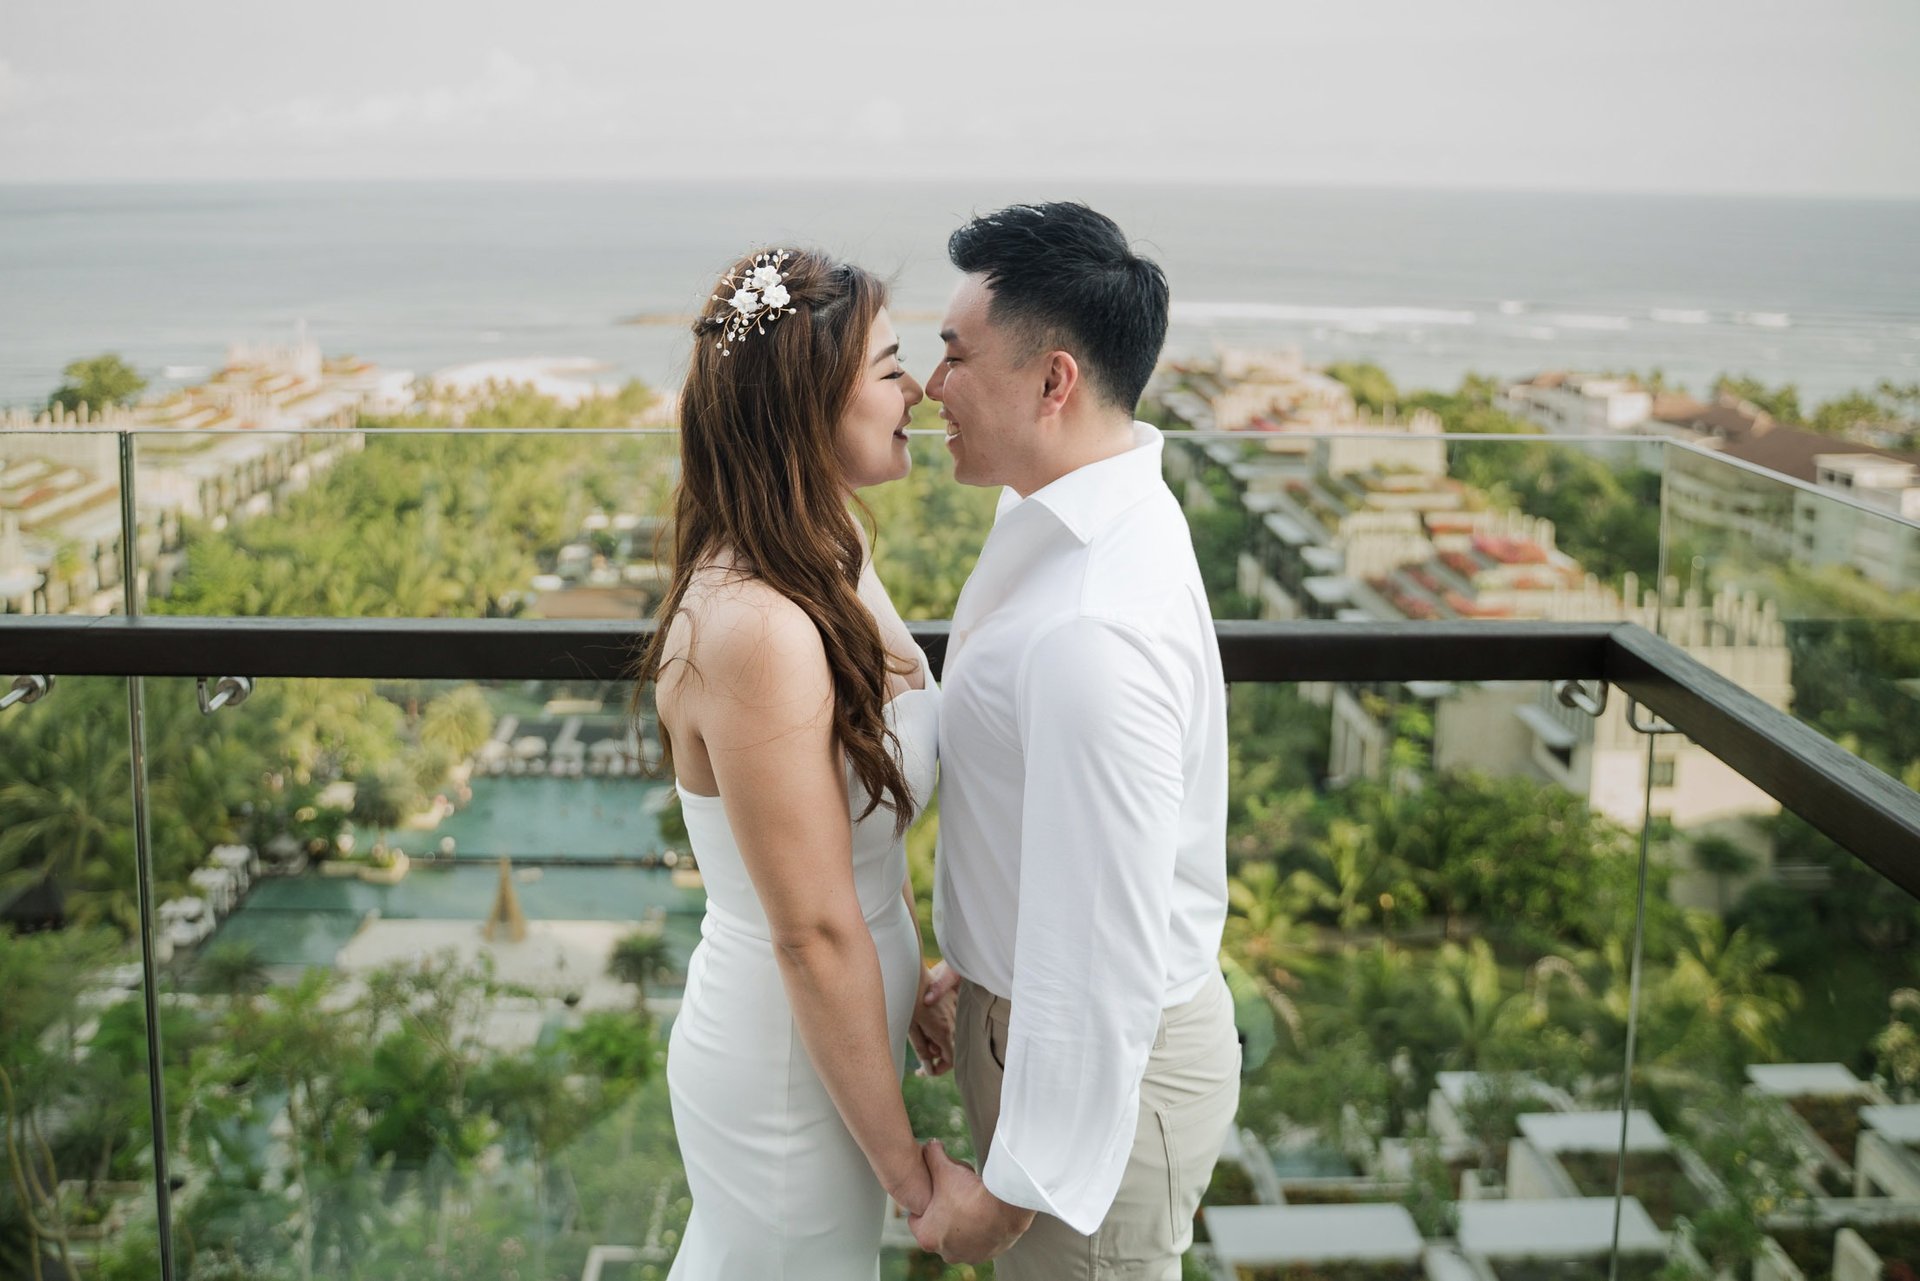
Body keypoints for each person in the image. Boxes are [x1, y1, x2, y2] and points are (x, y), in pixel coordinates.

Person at [909, 202, 1241, 1278]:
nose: (929, 385)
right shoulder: (1066, 513)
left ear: (1054, 381)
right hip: (1030, 1026)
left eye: (955, 355)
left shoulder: (1093, 626)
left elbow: (1103, 954)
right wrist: (979, 963)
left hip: (1099, 1084)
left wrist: (1011, 1200)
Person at [634, 247, 967, 1279]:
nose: (918, 392)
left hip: (839, 1038)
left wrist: (908, 968)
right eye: (891, 367)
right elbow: (811, 931)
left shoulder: (827, 554)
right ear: (807, 403)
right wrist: (913, 1181)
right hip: (787, 1073)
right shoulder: (758, 629)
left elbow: (866, 809)